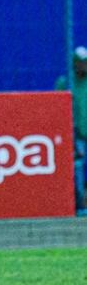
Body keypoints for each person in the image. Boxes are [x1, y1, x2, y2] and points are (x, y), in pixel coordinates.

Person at [54, 46, 87, 216]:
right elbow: (58, 108)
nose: (84, 66)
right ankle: (81, 205)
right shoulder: (66, 82)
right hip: (76, 135)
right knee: (77, 168)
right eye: (80, 63)